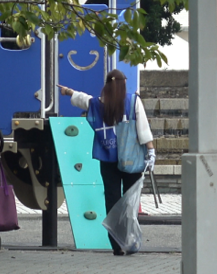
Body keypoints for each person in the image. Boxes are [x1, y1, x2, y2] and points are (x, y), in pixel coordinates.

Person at [59, 69, 155, 255]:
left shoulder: (98, 103)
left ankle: (116, 244)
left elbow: (84, 99)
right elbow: (143, 128)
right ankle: (130, 239)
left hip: (107, 158)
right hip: (131, 158)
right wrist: (150, 151)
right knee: (130, 200)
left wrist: (68, 91)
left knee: (112, 198)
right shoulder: (133, 101)